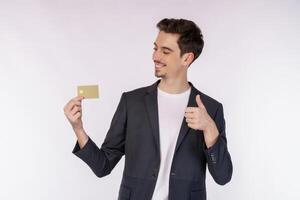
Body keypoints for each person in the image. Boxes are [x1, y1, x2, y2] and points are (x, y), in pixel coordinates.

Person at [63, 18, 233, 200]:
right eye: (155, 48)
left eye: (165, 51)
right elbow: (102, 167)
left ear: (187, 58)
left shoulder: (211, 109)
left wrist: (209, 128)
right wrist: (78, 128)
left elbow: (223, 177)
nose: (155, 57)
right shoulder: (132, 102)